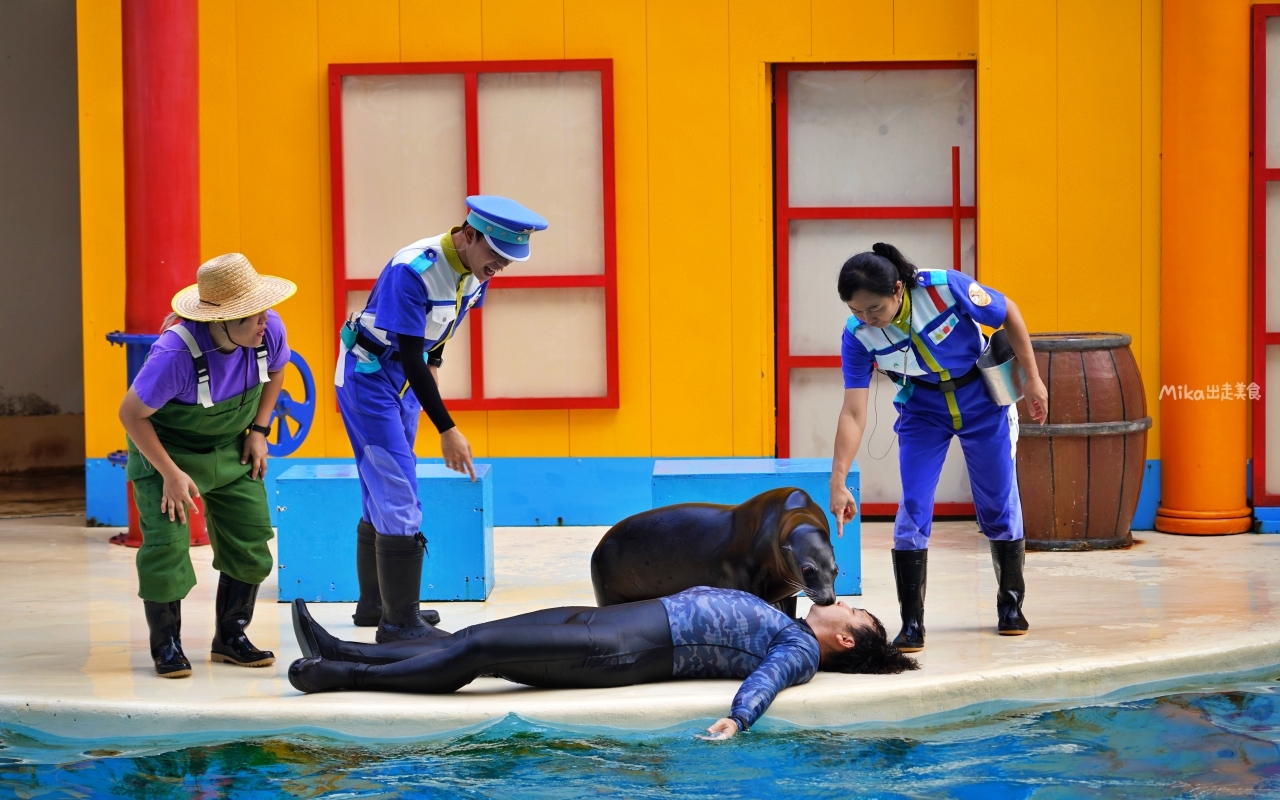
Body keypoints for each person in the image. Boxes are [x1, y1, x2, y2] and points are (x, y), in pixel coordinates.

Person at [286, 586, 918, 738]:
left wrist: (740, 716)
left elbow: (768, 678)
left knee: (479, 653)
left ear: (844, 642)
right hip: (621, 618)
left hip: (625, 650)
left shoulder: (802, 649)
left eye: (856, 616)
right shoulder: (788, 613)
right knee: (474, 630)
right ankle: (345, 648)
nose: (847, 607)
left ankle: (342, 674)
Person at [335, 196, 548, 643]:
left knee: (385, 488)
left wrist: (436, 365)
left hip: (406, 381)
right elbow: (412, 355)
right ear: (468, 235)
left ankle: (377, 606)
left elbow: (441, 334)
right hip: (371, 379)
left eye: (508, 261)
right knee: (398, 492)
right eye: (496, 256)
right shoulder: (412, 270)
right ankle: (399, 625)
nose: (500, 268)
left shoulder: (475, 270)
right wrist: (447, 429)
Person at [828, 243, 1049, 653]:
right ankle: (912, 622)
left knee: (998, 504)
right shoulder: (857, 336)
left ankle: (1010, 605)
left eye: (874, 309)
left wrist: (1032, 379)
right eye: (856, 311)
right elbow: (853, 413)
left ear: (898, 290)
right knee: (914, 507)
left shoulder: (944, 288)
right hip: (922, 411)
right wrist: (838, 479)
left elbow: (1008, 312)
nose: (867, 319)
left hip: (981, 401)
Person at [118, 253, 296, 678]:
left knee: (251, 539)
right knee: (166, 548)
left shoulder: (267, 331)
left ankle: (230, 638)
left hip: (233, 448)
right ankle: (167, 645)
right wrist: (169, 473)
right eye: (251, 317)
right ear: (221, 321)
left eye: (263, 313)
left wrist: (259, 429)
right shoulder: (174, 353)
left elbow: (278, 370)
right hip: (167, 452)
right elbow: (130, 414)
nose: (264, 323)